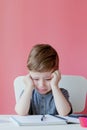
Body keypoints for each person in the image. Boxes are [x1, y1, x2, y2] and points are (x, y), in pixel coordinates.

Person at [15, 43, 72, 116]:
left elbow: (64, 113)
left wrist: (54, 86)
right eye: (36, 79)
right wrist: (29, 87)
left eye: (48, 79)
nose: (42, 84)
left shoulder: (61, 93)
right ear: (29, 76)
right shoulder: (28, 93)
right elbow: (21, 112)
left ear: (56, 75)